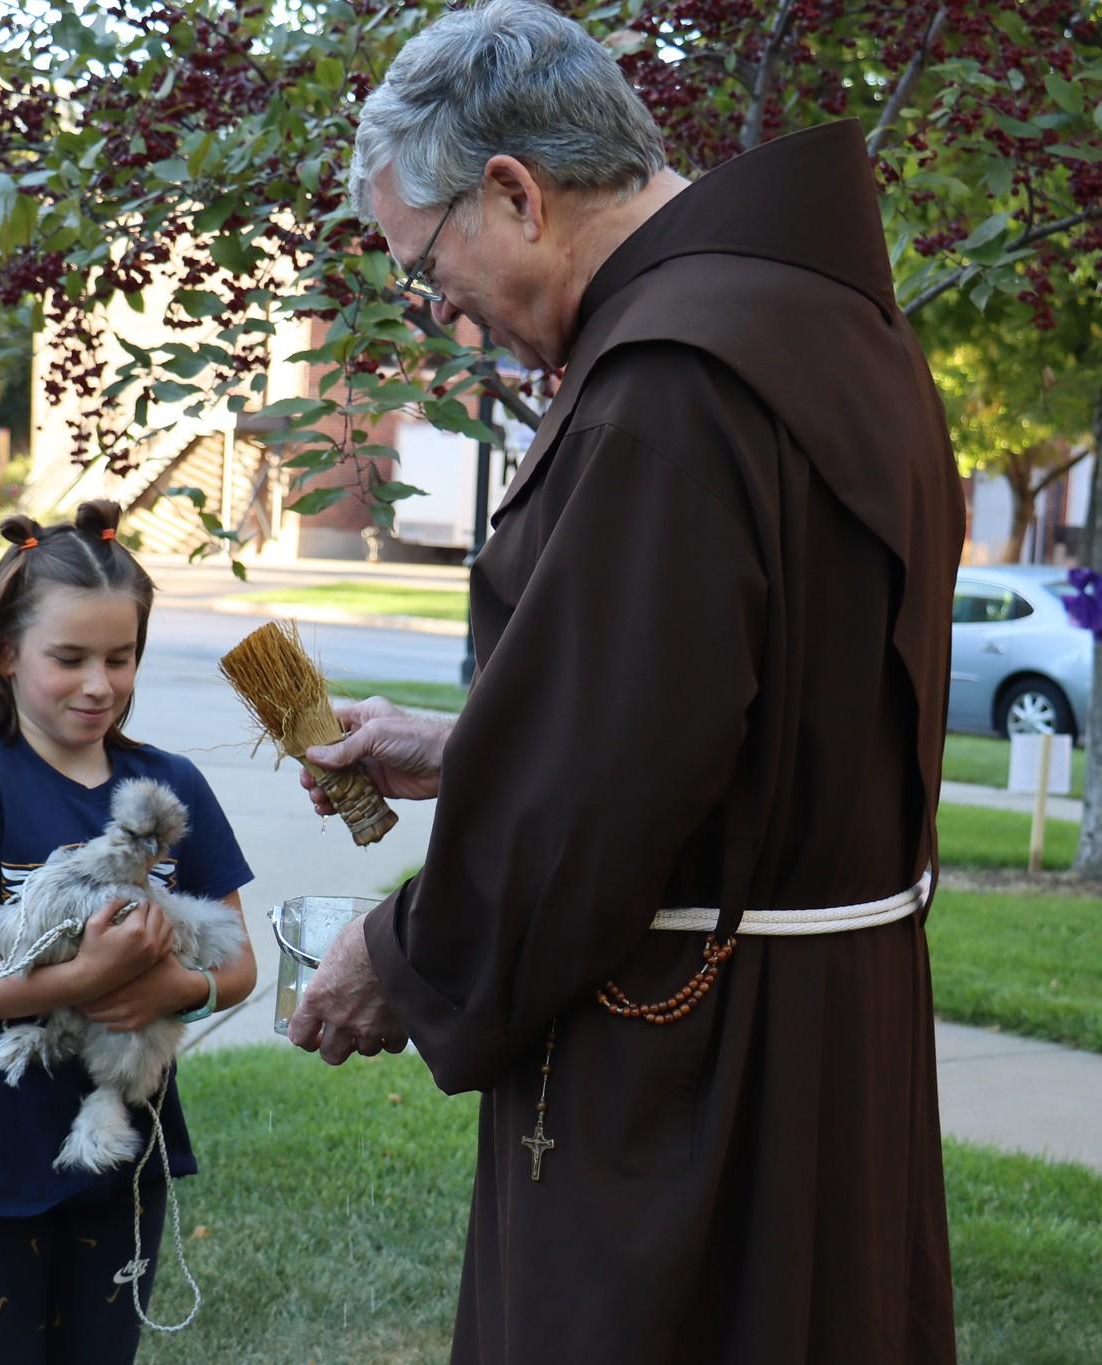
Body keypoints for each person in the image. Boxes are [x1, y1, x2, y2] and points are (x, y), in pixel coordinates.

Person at [287, 3, 963, 1361]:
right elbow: (708, 713)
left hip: (701, 1071)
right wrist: (468, 741)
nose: (437, 308)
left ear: (515, 194)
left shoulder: (671, 384)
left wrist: (402, 955)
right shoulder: (816, 325)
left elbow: (594, 806)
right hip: (817, 1037)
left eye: (424, 262)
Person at [0, 500, 257, 1361]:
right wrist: (86, 978)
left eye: (120, 656)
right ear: (4, 652)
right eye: (69, 658)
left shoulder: (168, 789)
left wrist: (178, 988)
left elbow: (239, 961)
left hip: (124, 1153)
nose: (99, 683)